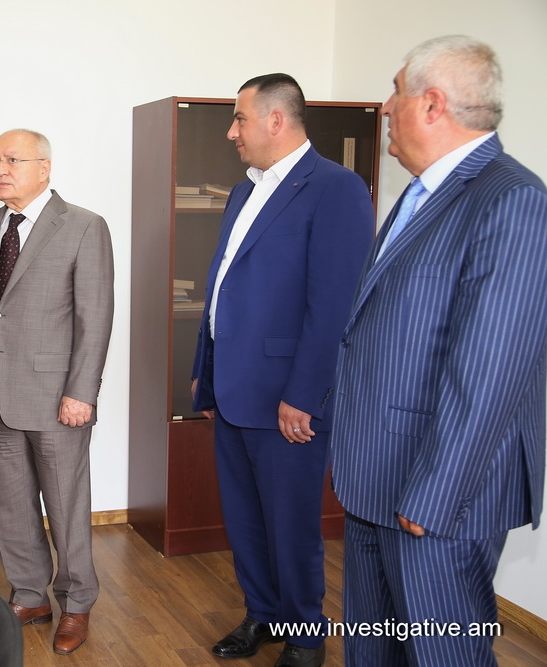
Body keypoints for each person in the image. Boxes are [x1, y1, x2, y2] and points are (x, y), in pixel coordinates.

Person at [331, 35, 547, 667]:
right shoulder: (422, 191)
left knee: (441, 654)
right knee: (374, 651)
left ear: (431, 104)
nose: (384, 106)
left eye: (395, 91)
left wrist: (436, 494)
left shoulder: (511, 200)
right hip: (377, 477)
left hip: (437, 496)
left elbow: (491, 370)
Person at [190, 74, 374, 667]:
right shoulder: (244, 192)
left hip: (286, 398)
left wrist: (305, 395)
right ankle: (262, 614)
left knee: (291, 526)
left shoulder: (336, 189)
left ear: (276, 119)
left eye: (239, 118)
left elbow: (334, 306)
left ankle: (304, 637)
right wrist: (205, 371)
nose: (231, 131)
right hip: (232, 387)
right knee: (245, 519)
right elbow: (222, 287)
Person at [0, 129, 114, 655]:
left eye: (12, 160)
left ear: (44, 167)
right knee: (12, 504)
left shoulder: (83, 226)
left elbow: (94, 319)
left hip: (57, 397)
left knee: (65, 507)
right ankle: (29, 594)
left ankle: (77, 602)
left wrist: (81, 392)